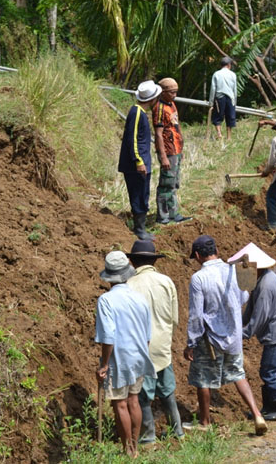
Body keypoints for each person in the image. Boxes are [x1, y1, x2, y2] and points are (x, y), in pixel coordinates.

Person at [183, 235, 267, 435]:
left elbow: (196, 314)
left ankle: (205, 422)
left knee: (203, 379)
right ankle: (257, 414)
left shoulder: (199, 278)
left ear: (197, 255)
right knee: (238, 374)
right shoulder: (232, 271)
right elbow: (244, 296)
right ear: (217, 251)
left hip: (210, 338)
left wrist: (191, 342)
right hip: (234, 335)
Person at [95, 251, 155, 457]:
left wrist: (104, 365)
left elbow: (108, 336)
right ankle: (135, 447)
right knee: (134, 400)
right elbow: (147, 334)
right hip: (139, 355)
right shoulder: (140, 298)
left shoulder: (106, 300)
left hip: (119, 357)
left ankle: (127, 449)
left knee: (120, 403)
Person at [124, 240, 183, 444]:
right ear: (153, 261)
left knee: (143, 395)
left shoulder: (129, 285)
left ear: (132, 263)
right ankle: (178, 431)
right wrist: (166, 338)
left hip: (141, 348)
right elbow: (175, 318)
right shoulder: (166, 281)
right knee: (167, 389)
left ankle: (148, 438)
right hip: (162, 346)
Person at [232, 243, 276, 420]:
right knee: (268, 369)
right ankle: (270, 406)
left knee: (268, 371)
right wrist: (238, 325)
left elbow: (259, 317)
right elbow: (250, 310)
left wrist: (241, 334)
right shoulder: (260, 279)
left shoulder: (266, 284)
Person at [118, 80, 162, 241]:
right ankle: (139, 229)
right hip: (136, 165)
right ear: (152, 99)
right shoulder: (136, 113)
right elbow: (132, 139)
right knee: (138, 194)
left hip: (142, 162)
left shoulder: (139, 113)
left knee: (143, 193)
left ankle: (141, 227)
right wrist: (138, 161)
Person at [153, 77, 191, 225]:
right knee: (166, 185)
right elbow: (158, 134)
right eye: (171, 92)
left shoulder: (172, 104)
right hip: (168, 151)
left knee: (174, 183)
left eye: (176, 92)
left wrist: (181, 147)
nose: (174, 95)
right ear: (163, 92)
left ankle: (174, 214)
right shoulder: (159, 108)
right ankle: (163, 217)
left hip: (176, 149)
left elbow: (176, 125)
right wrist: (163, 157)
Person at [209, 56, 237, 141]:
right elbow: (234, 89)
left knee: (218, 116)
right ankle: (229, 137)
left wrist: (211, 102)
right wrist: (235, 101)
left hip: (219, 98)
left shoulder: (216, 74)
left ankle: (219, 134)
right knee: (230, 116)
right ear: (229, 65)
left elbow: (213, 88)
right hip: (230, 98)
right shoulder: (233, 74)